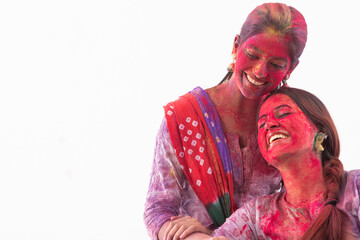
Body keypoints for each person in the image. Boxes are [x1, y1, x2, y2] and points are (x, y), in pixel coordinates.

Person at [144, 3, 308, 240]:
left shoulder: (292, 124)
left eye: (276, 65)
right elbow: (158, 209)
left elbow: (305, 206)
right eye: (253, 54)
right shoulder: (184, 118)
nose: (261, 71)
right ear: (236, 46)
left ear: (291, 68)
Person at [201, 87, 360, 239]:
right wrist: (198, 234)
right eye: (261, 124)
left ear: (319, 129)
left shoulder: (355, 187)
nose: (269, 125)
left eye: (283, 113)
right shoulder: (256, 215)